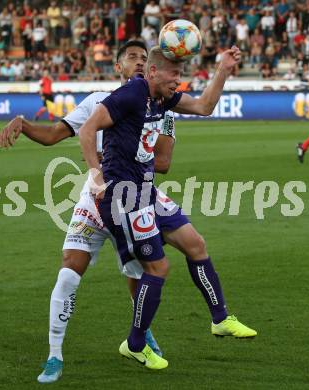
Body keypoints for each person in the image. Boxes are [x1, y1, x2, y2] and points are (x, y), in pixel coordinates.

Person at [0, 40, 173, 383]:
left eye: (143, 58)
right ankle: (54, 356)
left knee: (141, 277)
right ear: (118, 67)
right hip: (94, 201)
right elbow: (52, 135)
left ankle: (141, 336)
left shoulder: (158, 111)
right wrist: (23, 123)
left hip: (133, 203)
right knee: (68, 270)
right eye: (131, 57)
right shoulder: (96, 102)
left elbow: (163, 162)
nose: (138, 62)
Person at [80, 45, 257, 370]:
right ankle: (134, 344)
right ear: (152, 73)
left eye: (180, 73)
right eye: (173, 74)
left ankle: (220, 318)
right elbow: (87, 129)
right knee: (158, 269)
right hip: (124, 196)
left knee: (196, 244)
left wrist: (223, 68)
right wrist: (95, 176)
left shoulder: (162, 98)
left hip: (146, 189)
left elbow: (204, 106)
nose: (179, 80)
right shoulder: (130, 94)